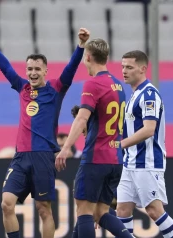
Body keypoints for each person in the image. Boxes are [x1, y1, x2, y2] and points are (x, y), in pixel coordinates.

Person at [0, 26, 89, 238]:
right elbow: (5, 67)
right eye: (29, 69)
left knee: (43, 210)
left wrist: (81, 46)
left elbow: (71, 68)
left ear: (45, 71)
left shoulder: (56, 89)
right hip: (20, 157)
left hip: (43, 158)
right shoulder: (22, 88)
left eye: (37, 69)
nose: (32, 73)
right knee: (6, 204)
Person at [56, 38, 132, 238]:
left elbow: (82, 118)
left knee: (84, 212)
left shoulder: (92, 83)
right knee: (100, 212)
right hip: (115, 158)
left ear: (87, 57)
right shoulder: (118, 85)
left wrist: (65, 148)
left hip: (96, 157)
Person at [117, 50, 173, 238]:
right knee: (122, 211)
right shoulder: (134, 95)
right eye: (122, 67)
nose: (124, 71)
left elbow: (149, 129)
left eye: (129, 67)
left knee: (153, 210)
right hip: (130, 163)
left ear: (143, 69)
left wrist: (120, 144)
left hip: (147, 163)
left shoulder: (149, 94)